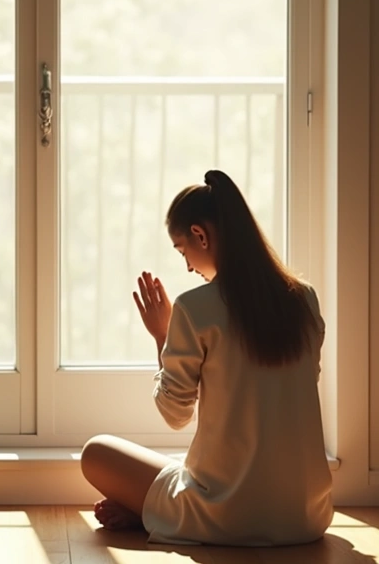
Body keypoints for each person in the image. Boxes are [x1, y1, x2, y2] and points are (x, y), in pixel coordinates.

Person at [79, 169, 332, 546]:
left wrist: (163, 336)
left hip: (225, 516)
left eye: (183, 251)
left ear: (200, 235)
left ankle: (154, 515)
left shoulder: (195, 308)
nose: (187, 266)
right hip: (306, 517)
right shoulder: (304, 299)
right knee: (189, 464)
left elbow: (176, 415)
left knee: (96, 452)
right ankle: (154, 510)